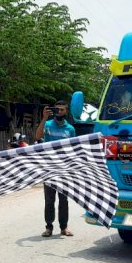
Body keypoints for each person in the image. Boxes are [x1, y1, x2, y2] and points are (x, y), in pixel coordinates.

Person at [36, 100, 76, 237]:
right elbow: (38, 136)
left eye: (62, 110)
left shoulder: (70, 129)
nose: (59, 112)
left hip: (64, 169)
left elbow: (73, 149)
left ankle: (64, 227)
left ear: (66, 111)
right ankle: (49, 227)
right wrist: (44, 118)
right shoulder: (47, 125)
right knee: (49, 200)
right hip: (48, 168)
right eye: (57, 109)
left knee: (63, 200)